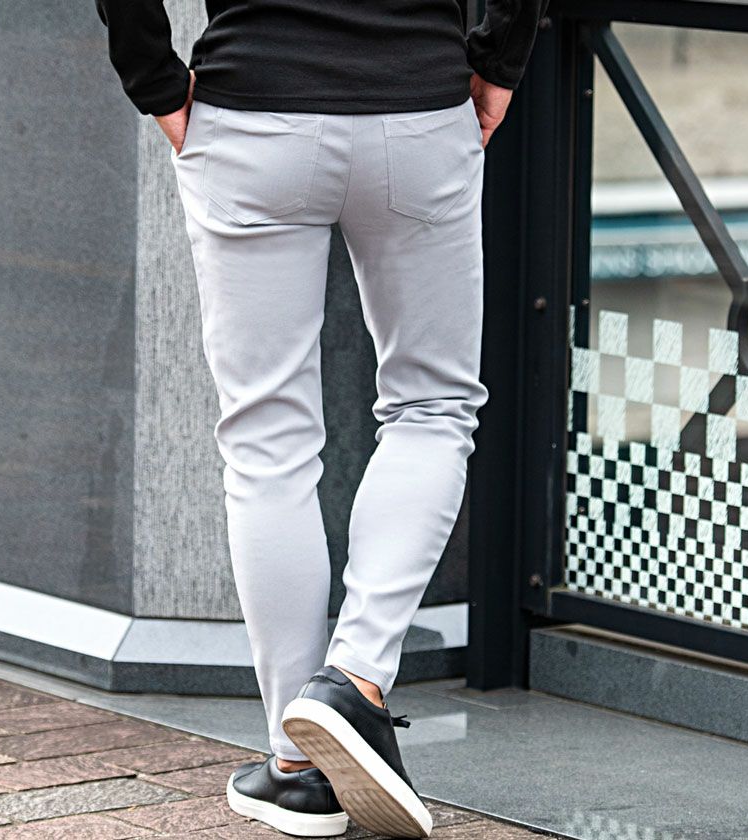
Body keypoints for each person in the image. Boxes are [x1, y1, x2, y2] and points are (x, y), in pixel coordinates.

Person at [95, 1, 547, 836]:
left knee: (266, 439)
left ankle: (298, 768)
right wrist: (502, 59)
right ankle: (356, 679)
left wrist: (154, 80)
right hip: (418, 105)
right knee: (431, 407)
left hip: (251, 110)